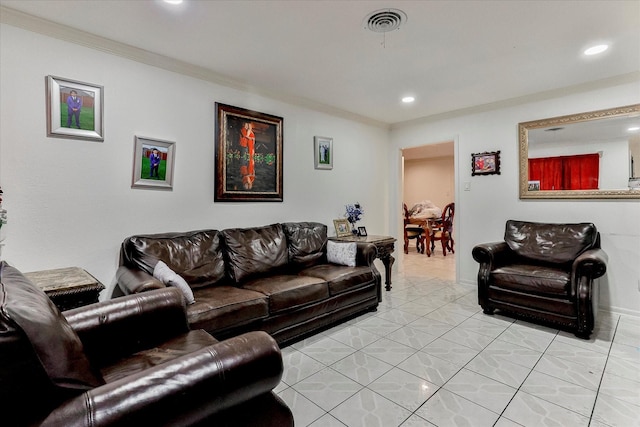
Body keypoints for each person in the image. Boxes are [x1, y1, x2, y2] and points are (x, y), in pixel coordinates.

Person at [238, 122, 256, 189]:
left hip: (248, 144)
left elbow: (251, 138)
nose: (247, 126)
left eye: (248, 125)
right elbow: (246, 136)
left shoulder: (249, 131)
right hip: (244, 144)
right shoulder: (243, 129)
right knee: (244, 158)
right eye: (246, 125)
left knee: (247, 157)